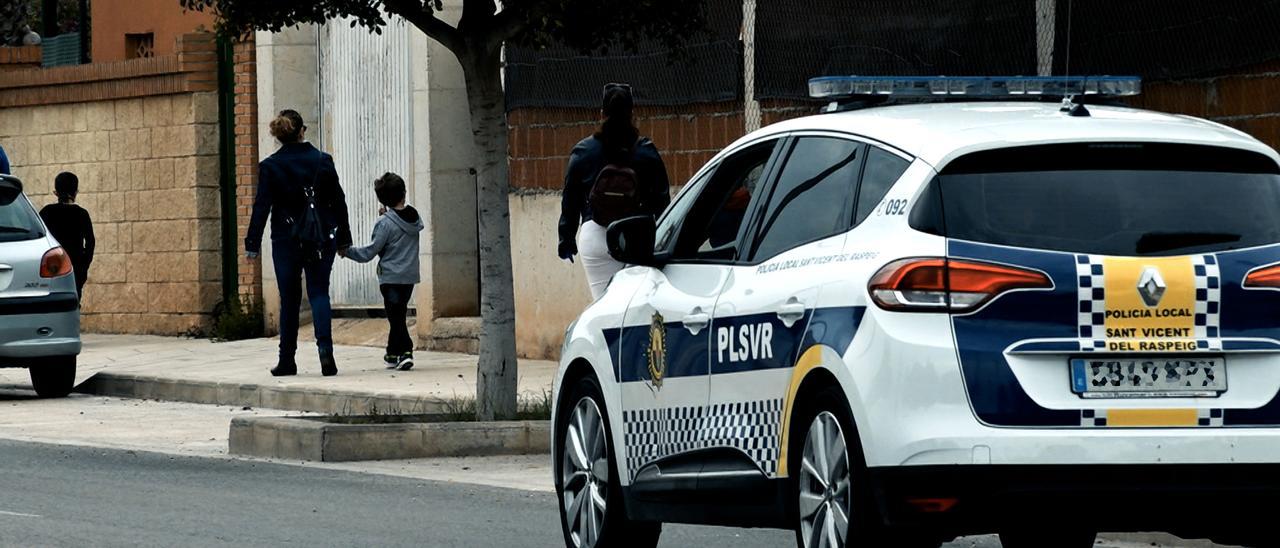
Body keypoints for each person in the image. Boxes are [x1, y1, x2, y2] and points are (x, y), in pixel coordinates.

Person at [245, 110, 352, 377]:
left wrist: (252, 243)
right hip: (320, 237)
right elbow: (339, 201)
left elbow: (262, 207)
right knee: (319, 293)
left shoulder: (270, 166)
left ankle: (287, 360)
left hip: (285, 240)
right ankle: (325, 352)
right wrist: (344, 239)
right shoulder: (322, 161)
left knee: (290, 300)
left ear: (279, 136)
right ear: (302, 130)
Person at [558, 83, 671, 299]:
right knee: (636, 310)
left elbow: (570, 199)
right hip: (636, 238)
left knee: (604, 307)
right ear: (632, 113)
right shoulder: (645, 150)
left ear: (602, 113)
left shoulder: (584, 150)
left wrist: (566, 240)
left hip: (595, 235)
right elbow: (662, 200)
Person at [340, 172, 423, 371]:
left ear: (382, 199)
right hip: (409, 276)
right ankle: (392, 353)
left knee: (396, 317)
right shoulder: (414, 217)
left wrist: (346, 251)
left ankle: (406, 352)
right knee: (398, 313)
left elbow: (370, 252)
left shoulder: (384, 223)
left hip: (391, 277)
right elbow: (399, 225)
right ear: (404, 193)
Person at [39, 172, 94, 298]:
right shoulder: (82, 214)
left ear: (56, 192)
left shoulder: (47, 212)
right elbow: (91, 242)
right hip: (75, 270)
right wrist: (84, 264)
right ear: (75, 192)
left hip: (53, 269)